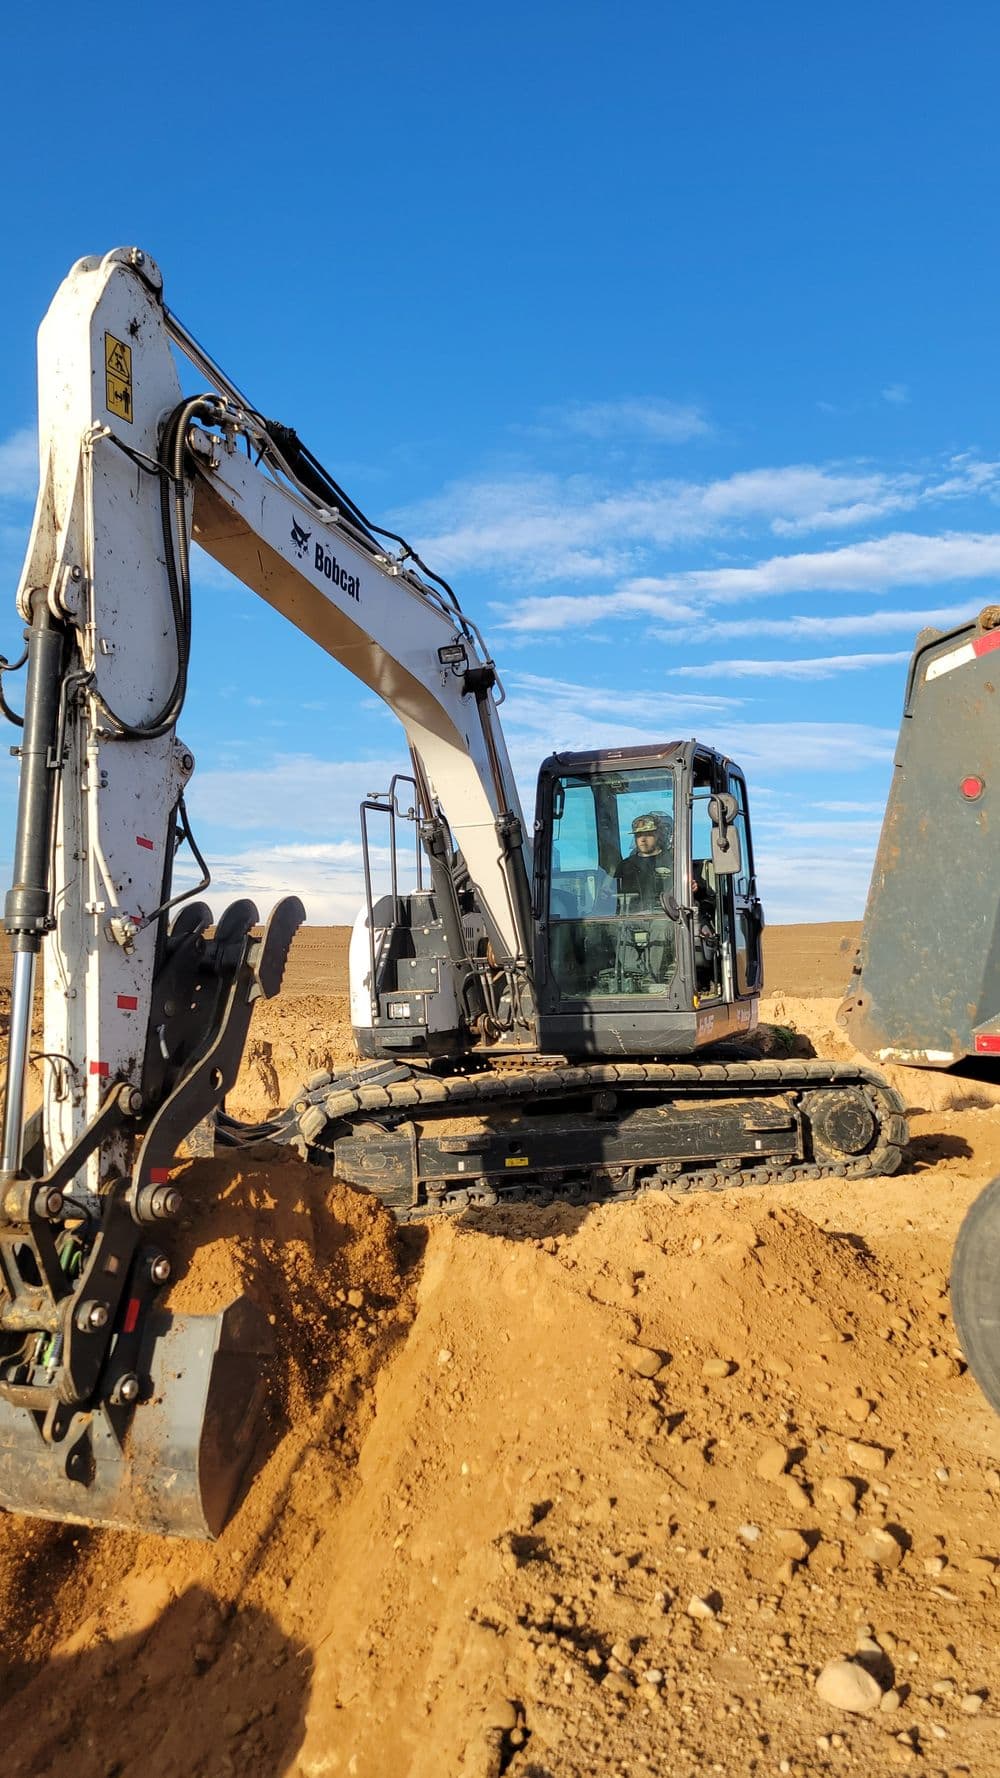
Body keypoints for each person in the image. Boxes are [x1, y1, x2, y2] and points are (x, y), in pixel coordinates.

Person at [617, 812, 673, 909]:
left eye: (648, 834)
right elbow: (611, 895)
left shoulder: (673, 861)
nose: (642, 839)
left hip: (665, 916)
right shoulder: (625, 866)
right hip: (632, 918)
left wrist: (693, 888)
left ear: (658, 835)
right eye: (638, 835)